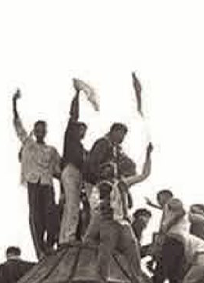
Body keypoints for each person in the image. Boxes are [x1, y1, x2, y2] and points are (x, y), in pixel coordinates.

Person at [83, 144, 153, 283]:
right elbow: (94, 204)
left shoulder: (122, 184)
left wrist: (148, 155)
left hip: (124, 224)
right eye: (106, 168)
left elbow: (144, 174)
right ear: (102, 172)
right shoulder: (98, 187)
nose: (110, 170)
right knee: (104, 255)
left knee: (134, 255)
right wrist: (105, 203)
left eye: (112, 168)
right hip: (108, 223)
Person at [12, 89, 62, 260]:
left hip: (47, 183)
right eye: (38, 129)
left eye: (43, 130)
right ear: (34, 131)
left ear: (46, 132)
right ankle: (40, 249)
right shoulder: (28, 144)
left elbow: (59, 170)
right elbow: (18, 126)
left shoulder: (52, 150)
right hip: (33, 183)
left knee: (51, 213)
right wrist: (14, 103)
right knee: (36, 217)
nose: (40, 132)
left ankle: (49, 244)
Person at [82, 123, 136, 230]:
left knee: (105, 211)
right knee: (97, 211)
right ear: (114, 131)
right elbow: (93, 164)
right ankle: (92, 235)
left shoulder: (116, 149)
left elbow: (130, 166)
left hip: (105, 186)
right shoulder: (103, 143)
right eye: (121, 134)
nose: (122, 138)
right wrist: (101, 175)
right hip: (94, 183)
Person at [59, 83, 89, 246]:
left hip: (76, 173)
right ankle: (69, 236)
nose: (83, 133)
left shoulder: (82, 148)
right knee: (72, 205)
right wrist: (77, 95)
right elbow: (73, 115)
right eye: (81, 129)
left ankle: (65, 237)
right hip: (71, 170)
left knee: (71, 205)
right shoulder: (70, 137)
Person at [150, 197, 189, 283]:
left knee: (162, 268)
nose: (159, 201)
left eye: (159, 198)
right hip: (179, 241)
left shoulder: (171, 202)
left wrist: (167, 225)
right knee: (173, 274)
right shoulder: (167, 209)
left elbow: (181, 211)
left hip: (173, 239)